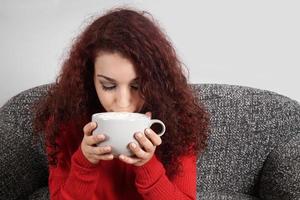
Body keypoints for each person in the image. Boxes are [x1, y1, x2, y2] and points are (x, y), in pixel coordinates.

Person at [34, 7, 209, 200]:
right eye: (108, 86)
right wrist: (84, 162)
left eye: (137, 86)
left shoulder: (179, 123)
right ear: (88, 79)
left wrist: (147, 165)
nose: (123, 103)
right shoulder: (64, 122)